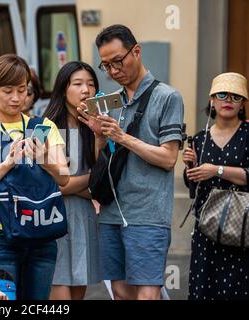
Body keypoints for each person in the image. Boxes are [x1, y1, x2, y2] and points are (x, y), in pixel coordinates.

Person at [78, 24, 184, 300]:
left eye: (118, 61)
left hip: (148, 212)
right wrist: (100, 137)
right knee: (120, 291)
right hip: (111, 210)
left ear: (136, 51)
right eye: (106, 66)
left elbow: (169, 158)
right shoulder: (112, 101)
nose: (113, 71)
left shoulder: (167, 97)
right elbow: (105, 157)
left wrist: (123, 137)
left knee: (147, 292)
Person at [0, 54, 69, 300]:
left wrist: (44, 158)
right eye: (7, 90)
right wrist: (7, 163)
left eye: (22, 90)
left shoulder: (43, 127)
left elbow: (64, 177)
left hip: (41, 235)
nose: (16, 98)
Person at [183, 72, 249, 300]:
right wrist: (190, 167)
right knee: (204, 289)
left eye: (236, 96)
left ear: (242, 104)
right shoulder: (199, 139)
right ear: (212, 100)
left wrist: (217, 169)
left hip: (241, 229)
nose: (228, 100)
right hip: (206, 228)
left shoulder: (248, 134)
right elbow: (193, 187)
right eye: (222, 94)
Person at [42, 61, 101, 300]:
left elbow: (103, 180)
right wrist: (87, 182)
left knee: (78, 292)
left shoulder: (97, 126)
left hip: (84, 217)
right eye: (77, 84)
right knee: (59, 291)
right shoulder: (42, 126)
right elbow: (47, 184)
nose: (85, 90)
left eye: (90, 84)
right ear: (62, 88)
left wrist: (99, 136)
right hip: (51, 216)